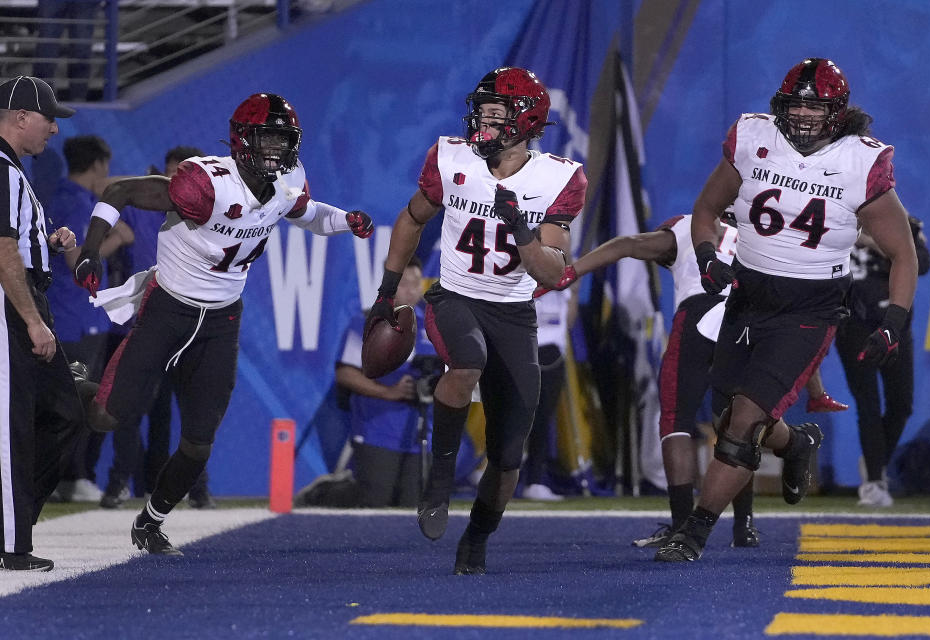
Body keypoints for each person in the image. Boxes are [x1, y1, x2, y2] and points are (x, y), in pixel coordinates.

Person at [72, 92, 374, 556]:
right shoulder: (208, 183)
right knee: (106, 416)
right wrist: (90, 250)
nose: (276, 149)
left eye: (283, 139)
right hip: (168, 308)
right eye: (267, 138)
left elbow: (305, 213)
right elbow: (120, 191)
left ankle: (150, 523)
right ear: (242, 140)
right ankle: (68, 386)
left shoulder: (288, 178)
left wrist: (345, 220)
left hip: (222, 319)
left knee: (199, 441)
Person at [655, 58, 918, 563]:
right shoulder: (755, 137)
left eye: (813, 105)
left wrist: (895, 322)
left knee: (744, 424)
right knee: (731, 411)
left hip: (811, 305)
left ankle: (693, 533)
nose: (800, 114)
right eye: (794, 103)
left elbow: (902, 252)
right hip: (749, 293)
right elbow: (707, 209)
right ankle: (796, 443)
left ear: (837, 112)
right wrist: (709, 257)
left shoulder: (860, 161)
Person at [366, 67, 586, 575]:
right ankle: (440, 478)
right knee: (466, 362)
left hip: (514, 312)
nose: (482, 123)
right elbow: (413, 217)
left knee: (509, 456)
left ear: (524, 120)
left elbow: (554, 273)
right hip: (455, 295)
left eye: (494, 115)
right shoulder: (452, 156)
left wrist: (522, 232)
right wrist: (386, 290)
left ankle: (477, 538)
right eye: (481, 112)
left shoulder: (558, 176)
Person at [535, 213, 846, 548]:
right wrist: (817, 390)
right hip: (751, 322)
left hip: (700, 315)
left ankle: (682, 524)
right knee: (738, 426)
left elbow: (628, 244)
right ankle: (746, 522)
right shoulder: (768, 237)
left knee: (676, 420)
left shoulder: (691, 224)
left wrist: (570, 272)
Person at [98, 145, 216, 510]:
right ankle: (119, 484)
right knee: (128, 409)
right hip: (145, 324)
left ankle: (189, 490)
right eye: (171, 175)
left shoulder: (212, 212)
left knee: (185, 413)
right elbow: (105, 186)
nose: (177, 184)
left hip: (190, 326)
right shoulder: (145, 204)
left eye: (186, 174)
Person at [0, 75, 83, 571]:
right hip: (12, 303)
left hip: (24, 295)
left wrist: (43, 246)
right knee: (14, 427)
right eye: (48, 119)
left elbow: (15, 246)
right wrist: (31, 320)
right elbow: (2, 249)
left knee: (64, 414)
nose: (54, 129)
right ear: (21, 118)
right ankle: (12, 543)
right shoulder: (2, 169)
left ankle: (15, 520)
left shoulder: (11, 169)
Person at [45, 135, 133, 504]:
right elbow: (76, 261)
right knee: (77, 402)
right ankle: (73, 476)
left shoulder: (57, 197)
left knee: (64, 402)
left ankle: (66, 477)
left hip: (67, 315)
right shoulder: (79, 202)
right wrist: (116, 240)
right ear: (98, 165)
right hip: (75, 318)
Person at [836, 218, 930, 507]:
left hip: (894, 325)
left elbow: (922, 264)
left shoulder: (904, 223)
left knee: (902, 404)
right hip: (854, 326)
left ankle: (876, 461)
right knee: (868, 404)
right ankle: (874, 482)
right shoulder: (837, 220)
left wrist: (877, 243)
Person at [336, 255, 438, 507]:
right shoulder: (366, 322)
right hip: (377, 429)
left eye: (416, 283)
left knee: (411, 508)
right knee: (375, 502)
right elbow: (346, 373)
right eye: (404, 283)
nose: (412, 289)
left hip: (421, 431)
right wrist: (389, 392)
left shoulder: (434, 325)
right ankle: (330, 492)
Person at [520, 287, 570, 502]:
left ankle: (535, 479)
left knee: (543, 417)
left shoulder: (563, 283)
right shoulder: (523, 274)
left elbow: (568, 319)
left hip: (552, 352)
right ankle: (488, 468)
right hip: (523, 347)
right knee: (512, 416)